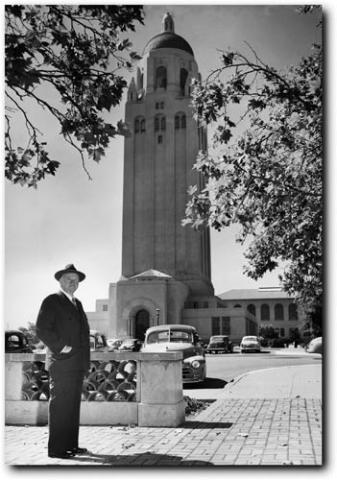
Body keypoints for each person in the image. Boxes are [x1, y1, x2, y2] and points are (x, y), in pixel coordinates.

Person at [36, 264, 90, 459]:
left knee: (72, 407)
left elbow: (83, 335)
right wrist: (61, 347)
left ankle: (71, 445)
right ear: (60, 281)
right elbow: (42, 329)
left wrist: (85, 362)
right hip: (61, 362)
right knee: (60, 406)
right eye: (68, 279)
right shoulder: (52, 301)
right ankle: (57, 449)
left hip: (76, 364)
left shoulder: (78, 304)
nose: (72, 283)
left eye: (75, 280)